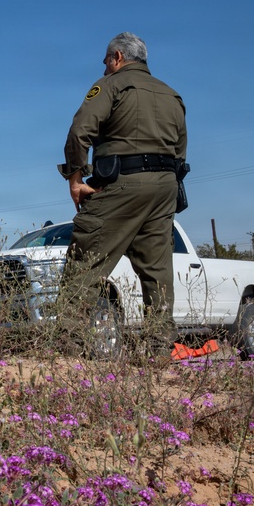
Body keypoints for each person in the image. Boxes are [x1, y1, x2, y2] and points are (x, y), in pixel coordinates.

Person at [58, 32, 188, 357]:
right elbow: (180, 153)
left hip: (122, 184)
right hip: (164, 189)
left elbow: (79, 132)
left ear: (117, 57)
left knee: (84, 261)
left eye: (105, 62)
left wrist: (76, 178)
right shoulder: (172, 94)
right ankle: (158, 350)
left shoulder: (112, 86)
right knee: (157, 272)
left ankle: (67, 348)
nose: (103, 69)